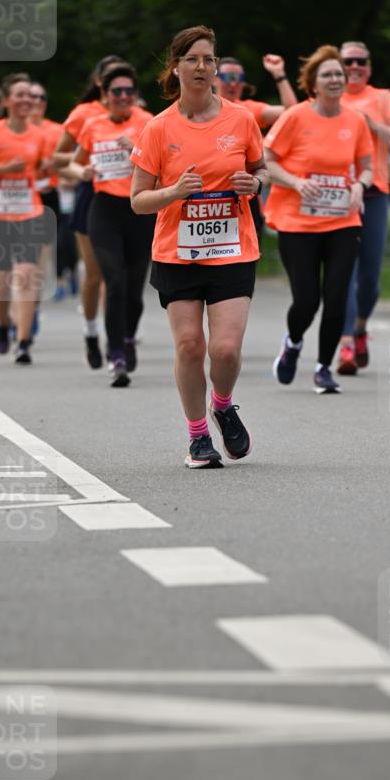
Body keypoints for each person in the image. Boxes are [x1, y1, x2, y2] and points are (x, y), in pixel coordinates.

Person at [131, 25, 267, 468]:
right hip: (178, 253)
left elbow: (260, 170)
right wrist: (173, 192)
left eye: (209, 60)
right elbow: (137, 200)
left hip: (232, 248)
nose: (202, 67)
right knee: (190, 345)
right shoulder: (158, 128)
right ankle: (197, 438)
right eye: (192, 59)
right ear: (176, 68)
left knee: (224, 349)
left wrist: (254, 183)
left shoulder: (241, 119)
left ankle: (223, 405)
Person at [265, 45, 373, 394]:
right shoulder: (295, 116)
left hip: (342, 220)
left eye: (339, 74)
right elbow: (267, 161)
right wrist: (296, 182)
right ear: (313, 81)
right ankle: (293, 342)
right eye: (327, 74)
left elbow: (369, 167)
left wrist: (359, 184)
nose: (335, 79)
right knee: (307, 299)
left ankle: (324, 367)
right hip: (297, 223)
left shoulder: (355, 120)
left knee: (338, 295)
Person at [71, 64, 155, 387]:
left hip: (139, 210)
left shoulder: (148, 123)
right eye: (116, 91)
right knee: (114, 280)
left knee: (134, 291)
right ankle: (116, 354)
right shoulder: (92, 125)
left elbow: (166, 167)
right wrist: (80, 174)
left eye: (128, 91)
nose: (123, 97)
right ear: (104, 96)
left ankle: (129, 337)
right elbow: (71, 164)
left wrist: (134, 151)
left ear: (135, 95)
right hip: (103, 210)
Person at [336, 41, 390, 375]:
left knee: (369, 277)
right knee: (344, 274)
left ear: (369, 66)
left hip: (374, 194)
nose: (354, 67)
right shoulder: (328, 95)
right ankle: (346, 343)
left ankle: (361, 326)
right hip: (336, 198)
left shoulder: (382, 98)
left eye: (361, 62)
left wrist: (372, 125)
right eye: (348, 61)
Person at [53, 55, 127, 369]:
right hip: (93, 197)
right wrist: (78, 171)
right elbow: (59, 158)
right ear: (99, 82)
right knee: (95, 274)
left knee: (117, 276)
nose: (120, 91)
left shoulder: (134, 112)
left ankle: (117, 343)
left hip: (128, 198)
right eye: (111, 79)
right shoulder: (84, 114)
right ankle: (91, 332)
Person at [0, 72, 48, 364]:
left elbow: (43, 168)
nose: (26, 99)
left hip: (30, 213)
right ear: (6, 100)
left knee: (26, 276)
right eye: (20, 94)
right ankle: (3, 323)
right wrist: (4, 169)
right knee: (1, 281)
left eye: (30, 94)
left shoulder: (39, 135)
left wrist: (49, 172)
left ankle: (24, 341)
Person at [217, 54, 297, 239]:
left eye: (239, 79)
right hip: (207, 198)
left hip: (244, 197)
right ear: (214, 79)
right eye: (228, 77)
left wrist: (279, 74)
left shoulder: (248, 110)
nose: (233, 83)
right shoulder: (201, 110)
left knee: (246, 260)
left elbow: (292, 113)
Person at [29, 81, 70, 302]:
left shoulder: (56, 130)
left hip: (48, 194)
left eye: (41, 98)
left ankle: (32, 300)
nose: (37, 102)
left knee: (41, 249)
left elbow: (68, 161)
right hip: (20, 195)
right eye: (32, 97)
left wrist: (52, 165)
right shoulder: (12, 129)